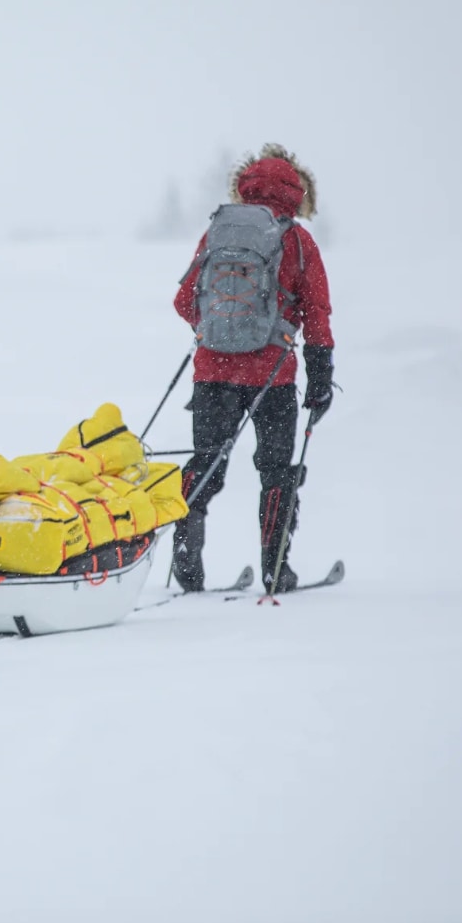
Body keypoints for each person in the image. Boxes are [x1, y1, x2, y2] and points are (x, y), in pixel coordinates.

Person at [170, 144, 334, 593]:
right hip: (273, 375)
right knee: (276, 471)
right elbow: (317, 313)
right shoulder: (297, 241)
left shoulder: (218, 232)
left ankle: (186, 559)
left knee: (206, 462)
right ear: (297, 191)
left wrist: (216, 331)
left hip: (212, 372)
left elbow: (185, 300)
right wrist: (320, 376)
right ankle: (275, 567)